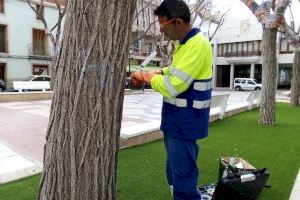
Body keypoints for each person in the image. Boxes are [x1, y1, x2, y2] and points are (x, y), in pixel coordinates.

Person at [130, 0, 213, 199]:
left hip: (186, 122)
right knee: (176, 170)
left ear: (177, 22)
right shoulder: (185, 44)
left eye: (163, 26)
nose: (161, 31)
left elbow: (173, 86)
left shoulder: (197, 44)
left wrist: (147, 77)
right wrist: (159, 71)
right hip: (177, 121)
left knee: (184, 174)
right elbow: (177, 70)